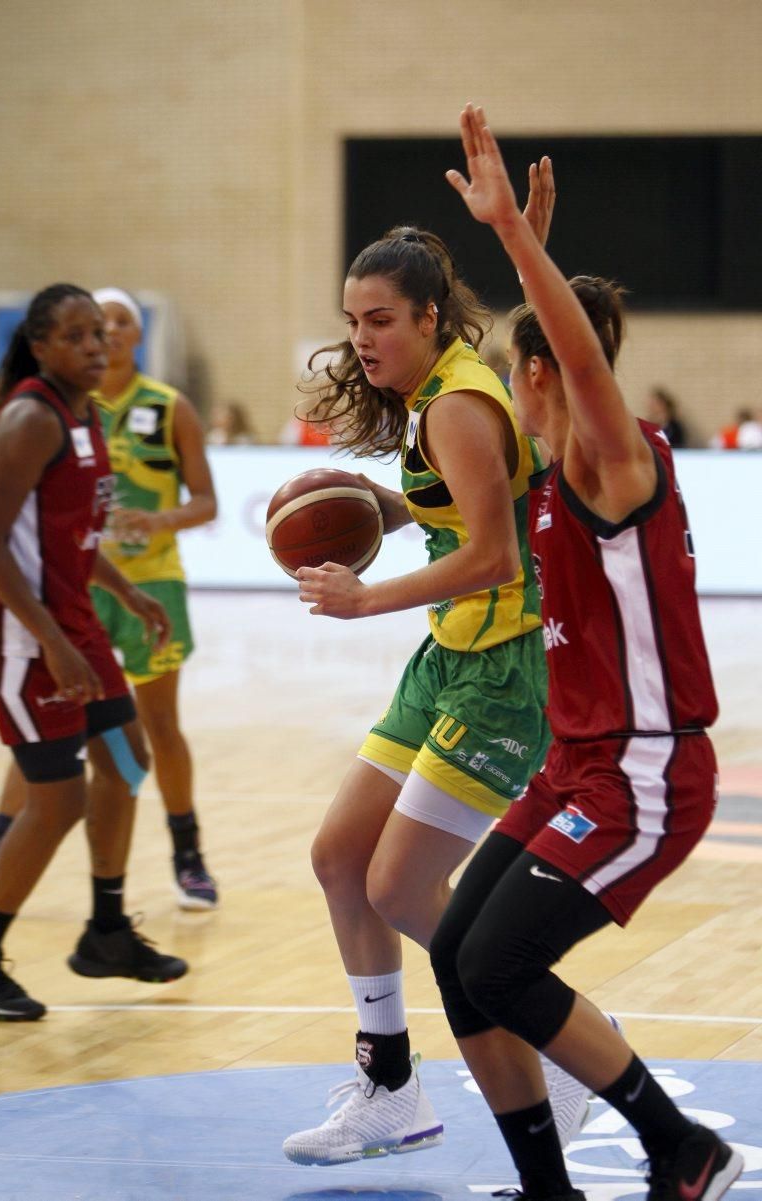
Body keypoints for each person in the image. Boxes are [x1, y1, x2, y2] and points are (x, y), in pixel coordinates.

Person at [427, 103, 744, 1201]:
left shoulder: (613, 461)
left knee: (503, 963)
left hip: (645, 773)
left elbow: (572, 358)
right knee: (458, 957)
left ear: (534, 376)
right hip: (575, 766)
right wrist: (534, 254)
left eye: (523, 368)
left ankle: (679, 1145)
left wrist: (515, 236)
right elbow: (564, 350)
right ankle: (547, 1188)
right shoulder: (558, 469)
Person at [282, 158, 603, 1167]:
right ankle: (389, 1088)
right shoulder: (440, 392)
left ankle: (566, 1063)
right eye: (350, 319)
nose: (360, 338)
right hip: (451, 654)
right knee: (340, 858)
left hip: (507, 666)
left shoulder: (454, 405)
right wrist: (376, 508)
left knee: (404, 888)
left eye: (378, 319)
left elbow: (493, 553)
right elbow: (461, 516)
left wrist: (361, 595)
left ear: (426, 318)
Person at [0, 284, 188, 1021]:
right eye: (78, 335)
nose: (97, 345)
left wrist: (129, 592)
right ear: (39, 346)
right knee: (56, 798)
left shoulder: (88, 414)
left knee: (126, 760)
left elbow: (70, 536)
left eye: (101, 332)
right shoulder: (30, 418)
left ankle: (107, 930)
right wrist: (54, 642)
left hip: (73, 620)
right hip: (20, 633)